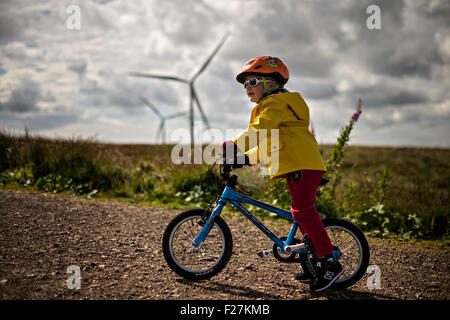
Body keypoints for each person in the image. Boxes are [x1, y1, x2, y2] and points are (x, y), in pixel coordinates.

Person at [223, 56, 343, 292]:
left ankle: (329, 263)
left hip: (303, 165)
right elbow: (269, 145)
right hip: (298, 164)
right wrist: (244, 158)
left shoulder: (275, 104)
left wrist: (234, 145)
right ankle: (313, 264)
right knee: (299, 213)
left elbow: (259, 130)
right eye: (245, 84)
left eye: (253, 81)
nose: (248, 88)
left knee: (302, 212)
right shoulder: (276, 107)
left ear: (271, 83)